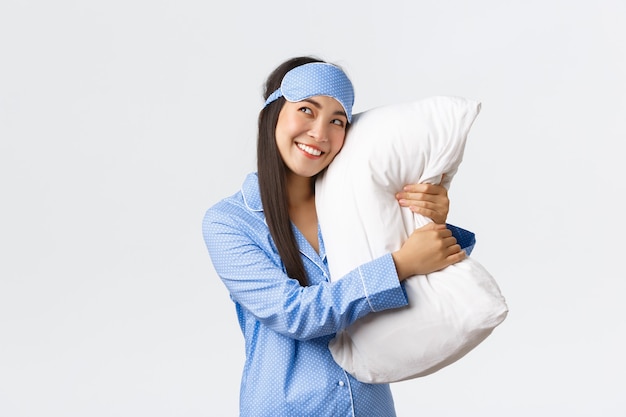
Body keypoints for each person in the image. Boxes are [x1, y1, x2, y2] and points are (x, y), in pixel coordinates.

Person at [202, 56, 473, 417]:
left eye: (337, 121)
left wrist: (428, 222)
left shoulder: (355, 205)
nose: (320, 133)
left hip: (370, 407)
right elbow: (294, 314)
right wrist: (400, 264)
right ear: (272, 115)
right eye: (306, 110)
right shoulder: (229, 222)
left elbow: (427, 279)